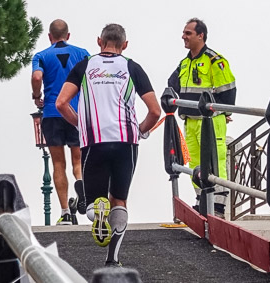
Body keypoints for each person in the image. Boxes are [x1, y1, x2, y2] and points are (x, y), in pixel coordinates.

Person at [56, 23, 161, 266]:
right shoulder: (132, 67)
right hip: (126, 142)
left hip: (94, 140)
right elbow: (155, 110)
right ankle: (112, 259)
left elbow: (61, 103)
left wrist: (81, 125)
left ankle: (96, 213)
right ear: (124, 45)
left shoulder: (84, 66)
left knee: (93, 204)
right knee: (120, 201)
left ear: (99, 42)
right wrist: (141, 131)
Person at [168, 18, 236, 218]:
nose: (183, 36)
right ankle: (202, 201)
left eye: (188, 33)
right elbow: (172, 83)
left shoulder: (215, 60)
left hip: (211, 122)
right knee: (195, 164)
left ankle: (218, 208)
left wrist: (225, 112)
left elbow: (228, 90)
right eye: (184, 32)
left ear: (201, 35)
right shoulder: (185, 63)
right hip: (190, 121)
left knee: (216, 163)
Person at [31, 19, 89, 225]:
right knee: (78, 161)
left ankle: (65, 212)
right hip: (75, 113)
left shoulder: (41, 56)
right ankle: (81, 184)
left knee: (58, 163)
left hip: (52, 112)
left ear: (49, 36)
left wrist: (36, 95)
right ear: (68, 35)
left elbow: (37, 78)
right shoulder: (82, 53)